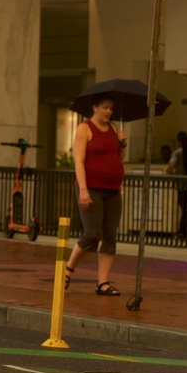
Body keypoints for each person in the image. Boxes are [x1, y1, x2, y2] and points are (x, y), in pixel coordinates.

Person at [65, 93, 126, 296]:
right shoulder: (84, 128)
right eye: (105, 107)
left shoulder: (114, 128)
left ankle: (103, 283)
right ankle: (68, 269)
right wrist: (83, 190)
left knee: (110, 236)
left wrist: (122, 143)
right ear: (95, 108)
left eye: (111, 108)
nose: (109, 111)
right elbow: (79, 161)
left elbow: (118, 158)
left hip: (113, 190)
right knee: (91, 234)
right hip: (91, 188)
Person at [165, 131, 187, 237]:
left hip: (182, 185)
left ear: (178, 141)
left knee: (185, 209)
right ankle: (185, 230)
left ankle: (184, 231)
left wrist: (173, 173)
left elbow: (169, 168)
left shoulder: (177, 152)